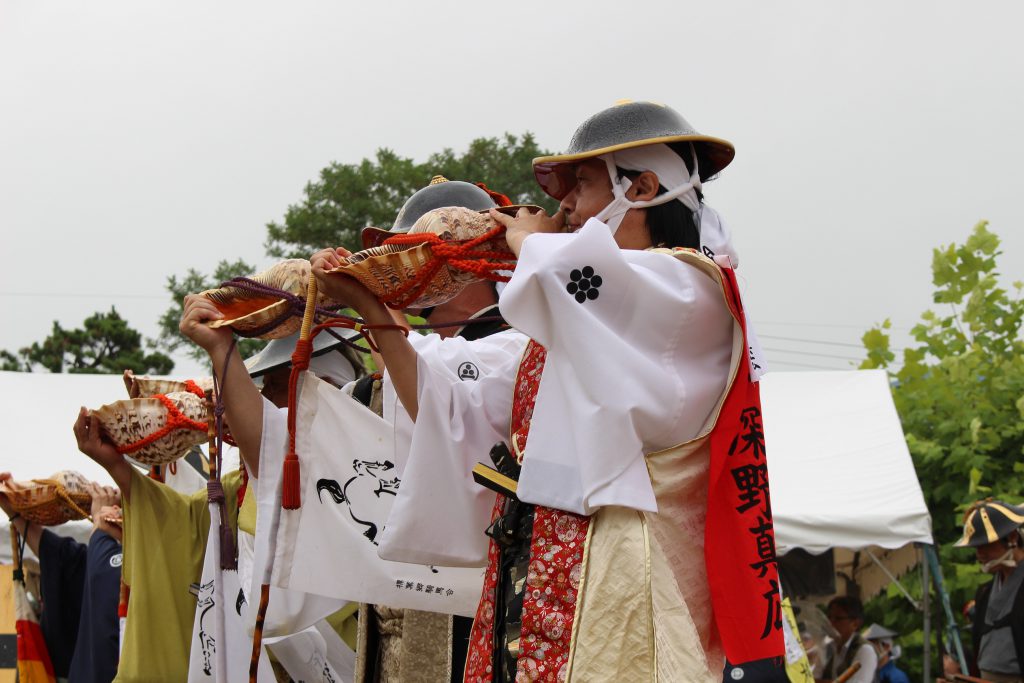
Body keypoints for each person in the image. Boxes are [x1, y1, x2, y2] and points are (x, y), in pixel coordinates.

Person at [313, 100, 779, 682]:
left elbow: (583, 280)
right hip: (537, 569)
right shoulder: (568, 331)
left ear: (643, 188)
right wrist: (367, 304)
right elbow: (446, 400)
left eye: (580, 185)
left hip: (625, 573)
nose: (564, 208)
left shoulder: (688, 289)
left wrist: (530, 241)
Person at [0, 476, 122, 682]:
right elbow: (57, 555)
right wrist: (12, 509)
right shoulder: (83, 561)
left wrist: (101, 519)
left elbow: (102, 569)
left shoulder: (139, 563)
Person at [957, 498, 1024, 683]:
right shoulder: (984, 592)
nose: (979, 554)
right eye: (976, 546)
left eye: (985, 544)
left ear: (1011, 538)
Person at [821, 596, 878, 683]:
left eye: (838, 618)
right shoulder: (828, 648)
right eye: (829, 617)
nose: (830, 623)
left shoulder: (865, 650)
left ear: (855, 623)